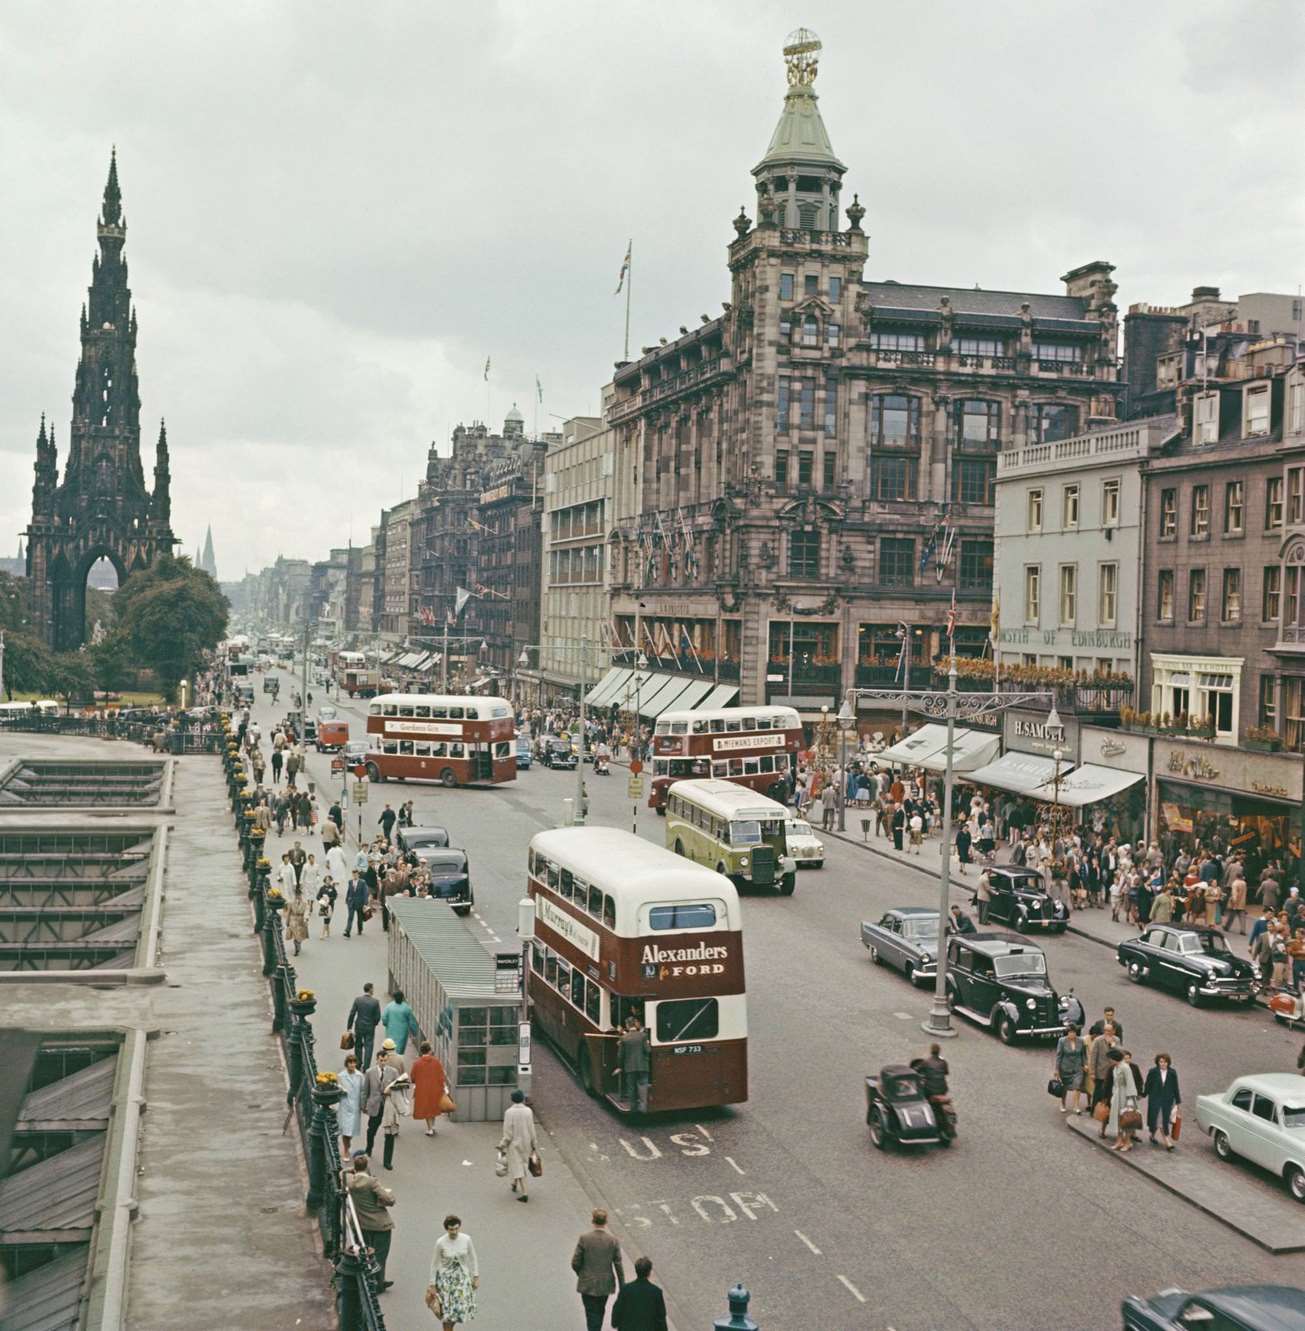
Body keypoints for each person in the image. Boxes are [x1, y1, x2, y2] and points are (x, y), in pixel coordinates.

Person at [572, 1208, 626, 1331]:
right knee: (600, 1310)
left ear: (593, 1220)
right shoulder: (613, 1241)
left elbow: (575, 1262)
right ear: (606, 1222)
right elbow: (618, 1265)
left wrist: (582, 1273)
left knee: (590, 1312)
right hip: (605, 1284)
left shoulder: (584, 1238)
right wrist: (622, 1286)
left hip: (587, 1283)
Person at [347, 1153, 395, 1291]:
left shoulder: (350, 1181)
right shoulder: (372, 1182)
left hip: (361, 1223)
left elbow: (343, 1172)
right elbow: (389, 1199)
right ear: (367, 1166)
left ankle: (368, 1278)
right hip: (379, 1223)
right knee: (380, 1253)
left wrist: (353, 1169)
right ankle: (378, 1283)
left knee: (365, 1251)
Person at [427, 1215, 479, 1329]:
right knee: (447, 1314)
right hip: (446, 1282)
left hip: (462, 1281)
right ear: (446, 1229)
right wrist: (432, 1284)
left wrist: (476, 1276)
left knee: (459, 1310)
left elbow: (473, 1258)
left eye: (456, 1228)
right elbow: (434, 1264)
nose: (454, 1231)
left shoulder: (466, 1239)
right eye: (451, 1229)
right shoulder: (440, 1242)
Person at [363, 1042, 406, 1168]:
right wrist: (364, 1105)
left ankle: (387, 1161)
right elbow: (365, 1090)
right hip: (375, 1104)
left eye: (385, 1061)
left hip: (389, 1105)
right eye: (381, 1060)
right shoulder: (369, 1072)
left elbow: (400, 1086)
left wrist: (392, 1091)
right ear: (377, 1060)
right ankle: (369, 1148)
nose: (383, 1063)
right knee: (372, 1129)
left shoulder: (393, 1072)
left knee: (390, 1133)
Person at [498, 1088, 538, 1202]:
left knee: (518, 1167)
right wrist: (534, 1143)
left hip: (514, 1144)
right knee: (519, 1165)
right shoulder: (528, 1111)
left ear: (512, 1099)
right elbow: (532, 1129)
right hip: (526, 1143)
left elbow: (508, 1133)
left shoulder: (509, 1113)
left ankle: (525, 1193)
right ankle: (514, 1183)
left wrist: (502, 1145)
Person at [610, 1255, 668, 1331]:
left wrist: (615, 1323)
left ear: (636, 1270)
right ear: (649, 1272)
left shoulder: (626, 1290)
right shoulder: (656, 1292)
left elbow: (618, 1309)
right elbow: (660, 1317)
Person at [1144, 1052, 1182, 1150]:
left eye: (1165, 1062)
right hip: (1155, 1100)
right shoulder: (1153, 1072)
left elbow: (1175, 1087)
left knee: (1161, 1120)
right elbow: (1148, 1085)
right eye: (1161, 1062)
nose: (1163, 1064)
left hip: (1167, 1101)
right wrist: (1143, 1094)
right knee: (1159, 1120)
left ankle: (1153, 1135)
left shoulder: (1172, 1073)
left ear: (1168, 1063)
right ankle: (1167, 1142)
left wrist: (1178, 1102)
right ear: (1157, 1062)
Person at [410, 1040, 448, 1136]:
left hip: (422, 1090)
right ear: (430, 1051)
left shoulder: (417, 1063)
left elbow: (413, 1077)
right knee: (433, 1108)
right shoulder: (436, 1062)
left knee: (427, 1109)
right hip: (435, 1088)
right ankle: (433, 1126)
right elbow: (441, 1076)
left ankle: (430, 1128)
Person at [1108, 1048, 1139, 1152]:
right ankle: (1119, 1140)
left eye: (1110, 1059)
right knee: (1118, 1119)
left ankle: (1128, 1142)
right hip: (1117, 1095)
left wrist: (1130, 1100)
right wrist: (1113, 1096)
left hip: (1125, 1096)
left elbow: (1130, 1083)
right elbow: (1115, 1084)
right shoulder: (1115, 1068)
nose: (1109, 1061)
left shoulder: (1125, 1067)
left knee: (1126, 1119)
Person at [619, 1015, 651, 1111]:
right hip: (643, 1066)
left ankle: (633, 1108)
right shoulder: (643, 1036)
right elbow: (648, 1050)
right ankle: (643, 1108)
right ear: (635, 1024)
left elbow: (620, 1055)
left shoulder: (624, 1038)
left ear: (627, 1025)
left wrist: (620, 1066)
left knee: (631, 1088)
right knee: (643, 1087)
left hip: (630, 1067)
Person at [347, 982, 382, 1071]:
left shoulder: (358, 1000)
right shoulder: (375, 1002)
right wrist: (374, 1024)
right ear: (370, 989)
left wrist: (349, 1027)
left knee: (358, 1045)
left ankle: (358, 1064)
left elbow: (352, 1013)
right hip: (370, 1027)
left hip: (359, 1026)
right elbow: (378, 1017)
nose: (373, 990)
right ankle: (366, 1067)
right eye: (373, 989)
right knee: (369, 1046)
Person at [1053, 1023, 1086, 1115]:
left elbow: (1083, 1054)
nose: (1072, 1034)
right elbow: (1059, 1056)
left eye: (1074, 1032)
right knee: (1064, 1088)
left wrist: (1085, 1064)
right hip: (1065, 1068)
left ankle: (1076, 1105)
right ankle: (1063, 1104)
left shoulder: (1080, 1041)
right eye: (1070, 1032)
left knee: (1077, 1086)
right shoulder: (1062, 1041)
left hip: (1078, 1068)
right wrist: (1056, 1069)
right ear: (1067, 1033)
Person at [338, 1052, 365, 1157]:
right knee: (346, 1130)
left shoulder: (360, 1076)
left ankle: (348, 1144)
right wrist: (341, 1090)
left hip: (355, 1106)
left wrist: (363, 1105)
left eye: (354, 1063)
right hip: (345, 1106)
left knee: (352, 1130)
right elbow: (338, 1089)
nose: (352, 1065)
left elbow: (362, 1091)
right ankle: (346, 1150)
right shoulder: (341, 1076)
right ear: (346, 1064)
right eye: (350, 1063)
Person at [381, 989, 420, 1056]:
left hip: (391, 1030)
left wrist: (386, 1024)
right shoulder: (406, 1008)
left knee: (390, 1047)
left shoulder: (389, 1006)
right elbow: (412, 1021)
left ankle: (390, 1061)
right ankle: (398, 1062)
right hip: (402, 1032)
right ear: (402, 998)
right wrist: (415, 1032)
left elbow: (384, 1018)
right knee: (399, 1050)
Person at [284, 886, 310, 956]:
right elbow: (288, 912)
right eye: (296, 895)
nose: (298, 896)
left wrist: (306, 918)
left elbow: (307, 911)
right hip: (293, 919)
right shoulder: (291, 902)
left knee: (300, 935)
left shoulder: (305, 903)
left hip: (301, 919)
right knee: (296, 935)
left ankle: (298, 943)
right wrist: (287, 921)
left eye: (299, 895)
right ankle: (297, 949)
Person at [344, 873, 369, 938]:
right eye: (353, 875)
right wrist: (346, 899)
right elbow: (349, 891)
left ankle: (360, 929)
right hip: (351, 902)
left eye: (356, 875)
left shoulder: (362, 882)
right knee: (350, 917)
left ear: (358, 875)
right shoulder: (350, 882)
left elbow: (365, 893)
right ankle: (347, 931)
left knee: (360, 918)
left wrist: (365, 903)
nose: (354, 876)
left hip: (360, 902)